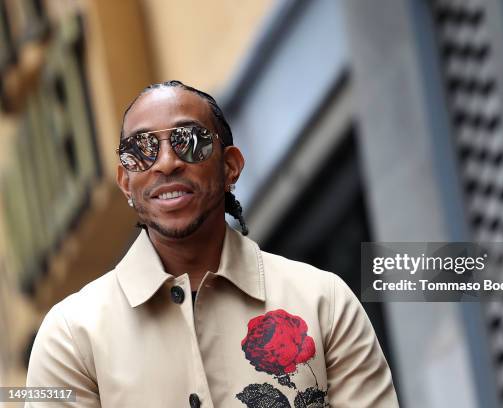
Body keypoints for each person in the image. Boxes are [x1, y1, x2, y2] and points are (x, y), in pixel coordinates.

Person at [25, 80, 399, 407]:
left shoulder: (324, 302)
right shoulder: (71, 337)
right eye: (141, 149)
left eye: (190, 142)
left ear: (230, 167)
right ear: (125, 181)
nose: (167, 162)